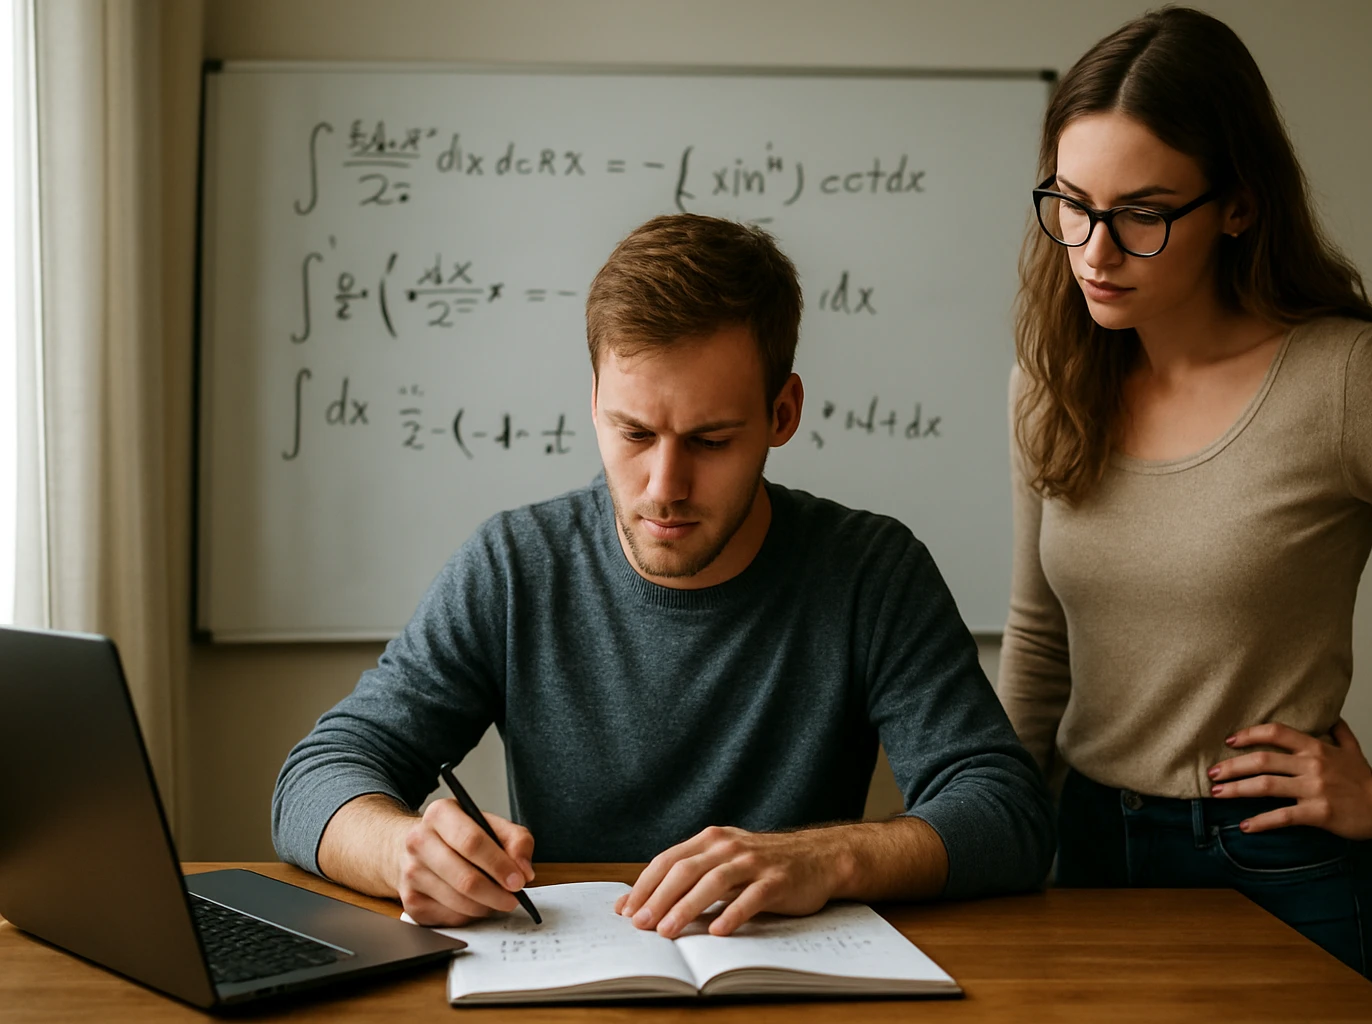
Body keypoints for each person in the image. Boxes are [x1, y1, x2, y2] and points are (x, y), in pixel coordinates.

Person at [274, 213, 1053, 939]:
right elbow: (316, 777)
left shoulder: (871, 572)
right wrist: (403, 848)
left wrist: (828, 857)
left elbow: (1007, 813)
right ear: (594, 403)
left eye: (710, 440)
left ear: (783, 413)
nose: (663, 486)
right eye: (634, 433)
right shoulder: (514, 566)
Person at [1000, 6, 1372, 1009]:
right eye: (1070, 202)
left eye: (1142, 213)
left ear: (1237, 206)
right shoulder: (1051, 376)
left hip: (1276, 871)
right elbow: (1039, 641)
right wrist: (998, 836)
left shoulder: (1343, 381)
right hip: (1083, 851)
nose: (1094, 250)